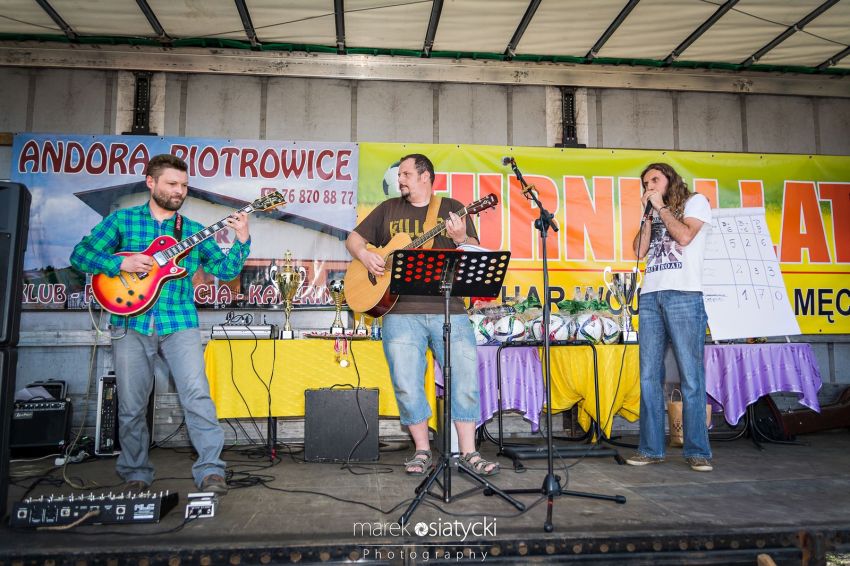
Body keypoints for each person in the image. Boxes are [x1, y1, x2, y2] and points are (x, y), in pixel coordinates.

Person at [70, 154, 251, 493]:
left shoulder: (193, 231)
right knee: (131, 405)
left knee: (197, 396)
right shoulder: (122, 221)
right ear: (150, 182)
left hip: (179, 320)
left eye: (184, 185)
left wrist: (241, 238)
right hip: (130, 322)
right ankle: (136, 473)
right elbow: (80, 255)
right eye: (172, 183)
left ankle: (211, 471)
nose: (179, 190)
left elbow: (225, 271)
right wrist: (119, 265)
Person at [345, 153, 498, 476]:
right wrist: (366, 256)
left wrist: (460, 238)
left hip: (450, 310)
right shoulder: (388, 209)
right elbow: (354, 238)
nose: (399, 179)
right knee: (406, 383)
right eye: (399, 175)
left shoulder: (451, 208)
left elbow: (473, 249)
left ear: (425, 176)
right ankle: (421, 450)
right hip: (399, 311)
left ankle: (469, 452)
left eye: (405, 174)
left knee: (465, 379)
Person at [626, 162, 713, 472]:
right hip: (651, 296)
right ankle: (651, 449)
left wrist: (661, 208)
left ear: (670, 180)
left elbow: (685, 236)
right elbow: (639, 251)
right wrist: (648, 215)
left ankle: (697, 451)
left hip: (684, 296)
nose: (649, 186)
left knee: (691, 376)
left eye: (655, 179)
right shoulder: (652, 211)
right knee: (649, 376)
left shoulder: (695, 202)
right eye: (645, 183)